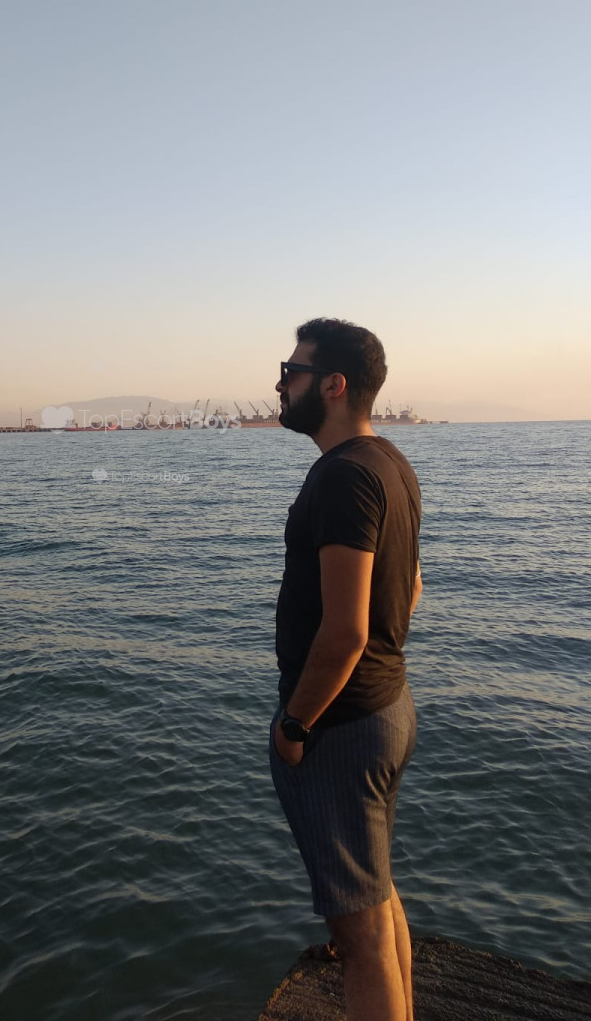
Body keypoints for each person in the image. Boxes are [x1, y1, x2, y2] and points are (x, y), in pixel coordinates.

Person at [270, 317, 422, 1021]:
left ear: (332, 385)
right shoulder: (389, 461)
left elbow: (346, 630)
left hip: (341, 729)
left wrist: (296, 724)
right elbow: (411, 587)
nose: (279, 384)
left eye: (291, 371)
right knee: (377, 898)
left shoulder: (342, 477)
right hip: (386, 708)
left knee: (359, 941)